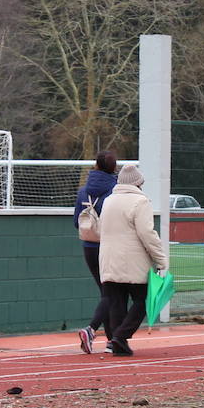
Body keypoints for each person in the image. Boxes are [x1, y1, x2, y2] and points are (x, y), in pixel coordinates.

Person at [98, 163, 167, 356]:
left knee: (116, 301)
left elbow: (99, 229)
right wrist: (161, 260)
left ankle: (116, 341)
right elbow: (147, 233)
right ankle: (121, 336)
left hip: (108, 258)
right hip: (132, 260)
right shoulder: (140, 202)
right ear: (138, 183)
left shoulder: (109, 200)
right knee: (143, 300)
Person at [73, 151, 118, 353]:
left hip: (89, 247)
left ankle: (111, 340)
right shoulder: (115, 191)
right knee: (112, 293)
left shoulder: (83, 191)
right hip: (108, 246)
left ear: (96, 166)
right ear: (113, 168)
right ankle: (91, 329)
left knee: (105, 293)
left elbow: (77, 222)